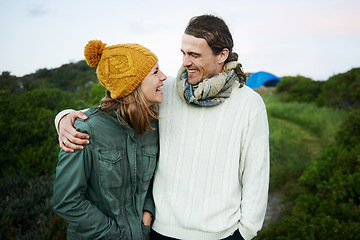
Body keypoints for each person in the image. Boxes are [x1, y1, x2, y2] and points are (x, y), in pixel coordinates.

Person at [55, 14, 269, 240]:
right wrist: (64, 118)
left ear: (222, 55)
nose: (185, 62)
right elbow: (116, 105)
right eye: (184, 53)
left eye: (195, 55)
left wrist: (245, 232)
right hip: (160, 231)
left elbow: (257, 172)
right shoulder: (165, 90)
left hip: (222, 234)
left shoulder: (249, 103)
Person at [52, 40, 167, 240]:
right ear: (134, 85)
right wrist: (115, 235)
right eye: (155, 72)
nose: (164, 77)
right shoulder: (85, 130)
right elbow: (66, 200)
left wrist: (147, 214)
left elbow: (152, 181)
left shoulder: (152, 125)